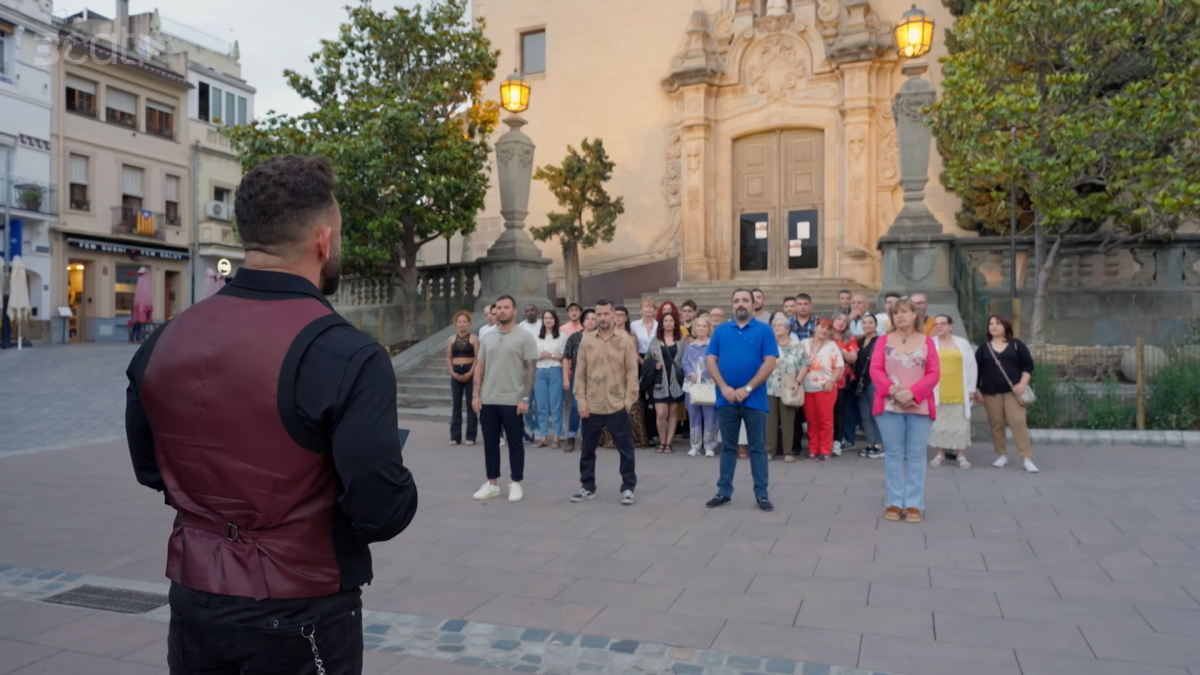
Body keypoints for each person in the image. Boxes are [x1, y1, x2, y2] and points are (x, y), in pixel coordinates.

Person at [125, 154, 418, 673]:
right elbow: (381, 509)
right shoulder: (349, 353)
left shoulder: (165, 340)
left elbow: (152, 469)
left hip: (195, 595)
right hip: (300, 602)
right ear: (323, 240)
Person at [705, 289, 779, 511]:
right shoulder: (720, 330)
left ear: (753, 304)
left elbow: (770, 362)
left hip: (754, 399)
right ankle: (723, 491)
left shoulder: (764, 330)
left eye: (745, 300)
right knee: (728, 447)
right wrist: (724, 387)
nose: (740, 304)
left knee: (757, 448)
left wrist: (747, 388)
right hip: (726, 398)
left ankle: (762, 494)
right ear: (732, 304)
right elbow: (710, 360)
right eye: (736, 300)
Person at [870, 298, 941, 523]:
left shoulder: (927, 341)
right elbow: (875, 369)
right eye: (895, 313)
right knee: (893, 453)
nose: (899, 316)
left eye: (904, 312)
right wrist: (892, 391)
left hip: (919, 404)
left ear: (914, 315)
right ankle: (893, 501)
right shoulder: (883, 341)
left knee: (917, 454)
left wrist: (912, 393)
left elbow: (934, 373)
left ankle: (913, 503)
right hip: (889, 403)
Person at [572, 298, 640, 505]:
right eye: (598, 314)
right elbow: (580, 373)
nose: (602, 318)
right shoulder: (587, 341)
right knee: (587, 450)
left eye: (606, 314)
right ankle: (587, 486)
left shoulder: (625, 340)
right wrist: (581, 401)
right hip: (592, 405)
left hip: (616, 404)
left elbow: (631, 373)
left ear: (614, 315)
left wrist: (627, 402)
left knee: (625, 449)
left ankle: (628, 487)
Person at [472, 294, 538, 502]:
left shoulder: (524, 337)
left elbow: (531, 371)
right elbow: (480, 366)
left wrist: (525, 399)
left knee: (515, 443)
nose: (502, 311)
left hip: (513, 399)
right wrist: (476, 394)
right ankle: (492, 483)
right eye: (498, 308)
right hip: (488, 398)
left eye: (506, 307)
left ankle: (516, 483)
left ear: (514, 311)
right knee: (490, 443)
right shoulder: (488, 337)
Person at [973, 314, 1039, 473]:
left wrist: (1023, 383)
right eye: (991, 324)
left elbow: (1028, 366)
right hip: (990, 392)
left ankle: (1026, 458)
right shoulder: (984, 347)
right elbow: (976, 370)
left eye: (998, 323)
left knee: (1018, 423)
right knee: (996, 424)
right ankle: (1001, 455)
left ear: (1006, 326)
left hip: (1013, 391)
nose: (994, 326)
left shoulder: (1017, 345)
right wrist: (976, 389)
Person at [929, 314, 978, 469]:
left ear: (950, 325)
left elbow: (971, 366)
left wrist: (971, 388)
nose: (939, 326)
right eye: (936, 324)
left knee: (959, 424)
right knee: (939, 424)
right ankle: (939, 454)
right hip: (937, 390)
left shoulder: (962, 343)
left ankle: (961, 455)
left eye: (942, 323)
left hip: (958, 389)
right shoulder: (930, 343)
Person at [602, 307, 649, 448]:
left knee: (632, 407)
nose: (618, 317)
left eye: (621, 315)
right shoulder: (606, 333)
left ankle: (635, 438)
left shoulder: (631, 335)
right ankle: (611, 440)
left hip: (628, 374)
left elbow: (634, 356)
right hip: (610, 374)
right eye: (615, 315)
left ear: (626, 317)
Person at [766, 313, 809, 462]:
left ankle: (788, 451)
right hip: (770, 386)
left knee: (788, 421)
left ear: (787, 328)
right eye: (774, 326)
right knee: (770, 421)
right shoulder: (769, 344)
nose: (776, 327)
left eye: (779, 325)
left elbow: (805, 364)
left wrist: (797, 382)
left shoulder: (796, 346)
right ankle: (769, 450)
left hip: (789, 386)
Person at [799, 319, 843, 461]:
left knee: (825, 420)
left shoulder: (832, 346)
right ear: (815, 328)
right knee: (811, 421)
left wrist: (831, 381)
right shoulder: (804, 343)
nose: (824, 330)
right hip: (807, 387)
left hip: (825, 388)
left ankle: (825, 450)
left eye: (828, 329)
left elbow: (839, 366)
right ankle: (813, 449)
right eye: (822, 327)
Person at [647, 302, 685, 453]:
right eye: (665, 321)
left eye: (671, 320)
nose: (668, 323)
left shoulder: (682, 340)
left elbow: (687, 359)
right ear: (661, 324)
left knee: (673, 412)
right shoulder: (655, 341)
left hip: (675, 381)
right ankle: (661, 441)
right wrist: (654, 364)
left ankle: (669, 442)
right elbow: (648, 359)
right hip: (659, 382)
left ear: (675, 323)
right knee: (661, 414)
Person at [683, 314, 719, 457]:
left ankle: (709, 445)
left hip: (708, 385)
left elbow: (716, 362)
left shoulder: (713, 346)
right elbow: (684, 362)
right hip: (691, 386)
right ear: (694, 328)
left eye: (704, 326)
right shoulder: (689, 346)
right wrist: (691, 374)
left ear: (709, 328)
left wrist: (705, 375)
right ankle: (695, 445)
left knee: (710, 416)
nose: (701, 328)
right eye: (698, 326)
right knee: (694, 416)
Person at [562, 308, 596, 453]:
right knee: (576, 407)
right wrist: (566, 377)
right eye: (587, 319)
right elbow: (566, 358)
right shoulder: (575, 338)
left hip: (596, 377)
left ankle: (587, 438)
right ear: (583, 321)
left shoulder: (600, 337)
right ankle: (571, 437)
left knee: (592, 408)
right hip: (578, 375)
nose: (590, 321)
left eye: (593, 319)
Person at [533, 309, 567, 449]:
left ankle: (557, 437)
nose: (548, 320)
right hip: (540, 371)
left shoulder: (562, 336)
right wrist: (540, 356)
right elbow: (532, 355)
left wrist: (550, 355)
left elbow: (564, 356)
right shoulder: (536, 337)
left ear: (555, 320)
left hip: (555, 370)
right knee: (541, 406)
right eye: (545, 318)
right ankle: (543, 437)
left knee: (556, 406)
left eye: (551, 318)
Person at [446, 310, 479, 446]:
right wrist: (452, 372)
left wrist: (471, 372)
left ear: (469, 323)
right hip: (456, 372)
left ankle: (470, 436)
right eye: (459, 322)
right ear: (456, 324)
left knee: (471, 405)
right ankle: (455, 436)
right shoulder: (451, 339)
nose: (462, 324)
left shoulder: (474, 339)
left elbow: (477, 358)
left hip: (469, 370)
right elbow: (448, 357)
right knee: (457, 405)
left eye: (464, 321)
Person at [854, 315, 885, 459]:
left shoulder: (880, 341)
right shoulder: (860, 341)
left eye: (870, 322)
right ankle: (871, 442)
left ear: (876, 325)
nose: (867, 325)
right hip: (861, 381)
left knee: (876, 414)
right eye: (864, 323)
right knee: (865, 414)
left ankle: (880, 444)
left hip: (874, 382)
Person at [830, 312, 860, 456]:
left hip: (841, 380)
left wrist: (838, 349)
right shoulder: (824, 335)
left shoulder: (849, 339)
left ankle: (837, 441)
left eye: (845, 321)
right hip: (821, 378)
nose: (841, 322)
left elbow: (853, 358)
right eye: (839, 319)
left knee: (839, 411)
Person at [518, 303, 542, 442]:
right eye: (527, 311)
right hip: (526, 369)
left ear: (537, 311)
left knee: (539, 402)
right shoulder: (521, 327)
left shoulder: (542, 325)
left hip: (540, 366)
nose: (530, 312)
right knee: (526, 399)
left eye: (532, 310)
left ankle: (538, 428)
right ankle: (530, 426)